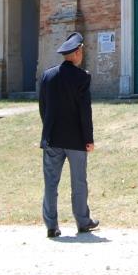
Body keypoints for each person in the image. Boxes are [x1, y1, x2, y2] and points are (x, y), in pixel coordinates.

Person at [38, 31, 99, 238]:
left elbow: (43, 108)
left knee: (50, 183)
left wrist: (48, 130)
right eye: (81, 50)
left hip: (52, 138)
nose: (82, 53)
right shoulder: (82, 77)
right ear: (76, 52)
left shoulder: (47, 76)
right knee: (79, 182)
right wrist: (88, 139)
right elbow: (85, 111)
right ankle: (83, 222)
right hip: (76, 140)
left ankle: (51, 226)